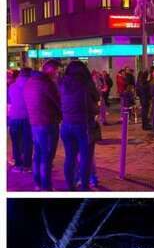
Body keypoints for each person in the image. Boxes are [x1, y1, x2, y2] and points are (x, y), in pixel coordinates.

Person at [58, 60, 99, 191]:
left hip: (66, 125)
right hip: (83, 125)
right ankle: (85, 187)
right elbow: (96, 98)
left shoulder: (62, 83)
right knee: (86, 158)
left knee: (69, 157)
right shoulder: (86, 84)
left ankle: (70, 186)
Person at [24, 59, 62, 191]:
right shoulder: (47, 83)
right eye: (57, 71)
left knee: (38, 154)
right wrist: (61, 116)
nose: (57, 74)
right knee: (47, 156)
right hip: (48, 123)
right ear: (51, 70)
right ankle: (46, 187)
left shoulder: (30, 82)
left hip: (34, 123)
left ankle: (38, 183)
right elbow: (58, 102)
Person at [8, 67, 33, 173]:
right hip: (28, 117)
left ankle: (18, 165)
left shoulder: (12, 86)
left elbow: (9, 102)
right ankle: (26, 165)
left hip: (14, 117)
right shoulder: (32, 85)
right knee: (27, 142)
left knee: (15, 142)